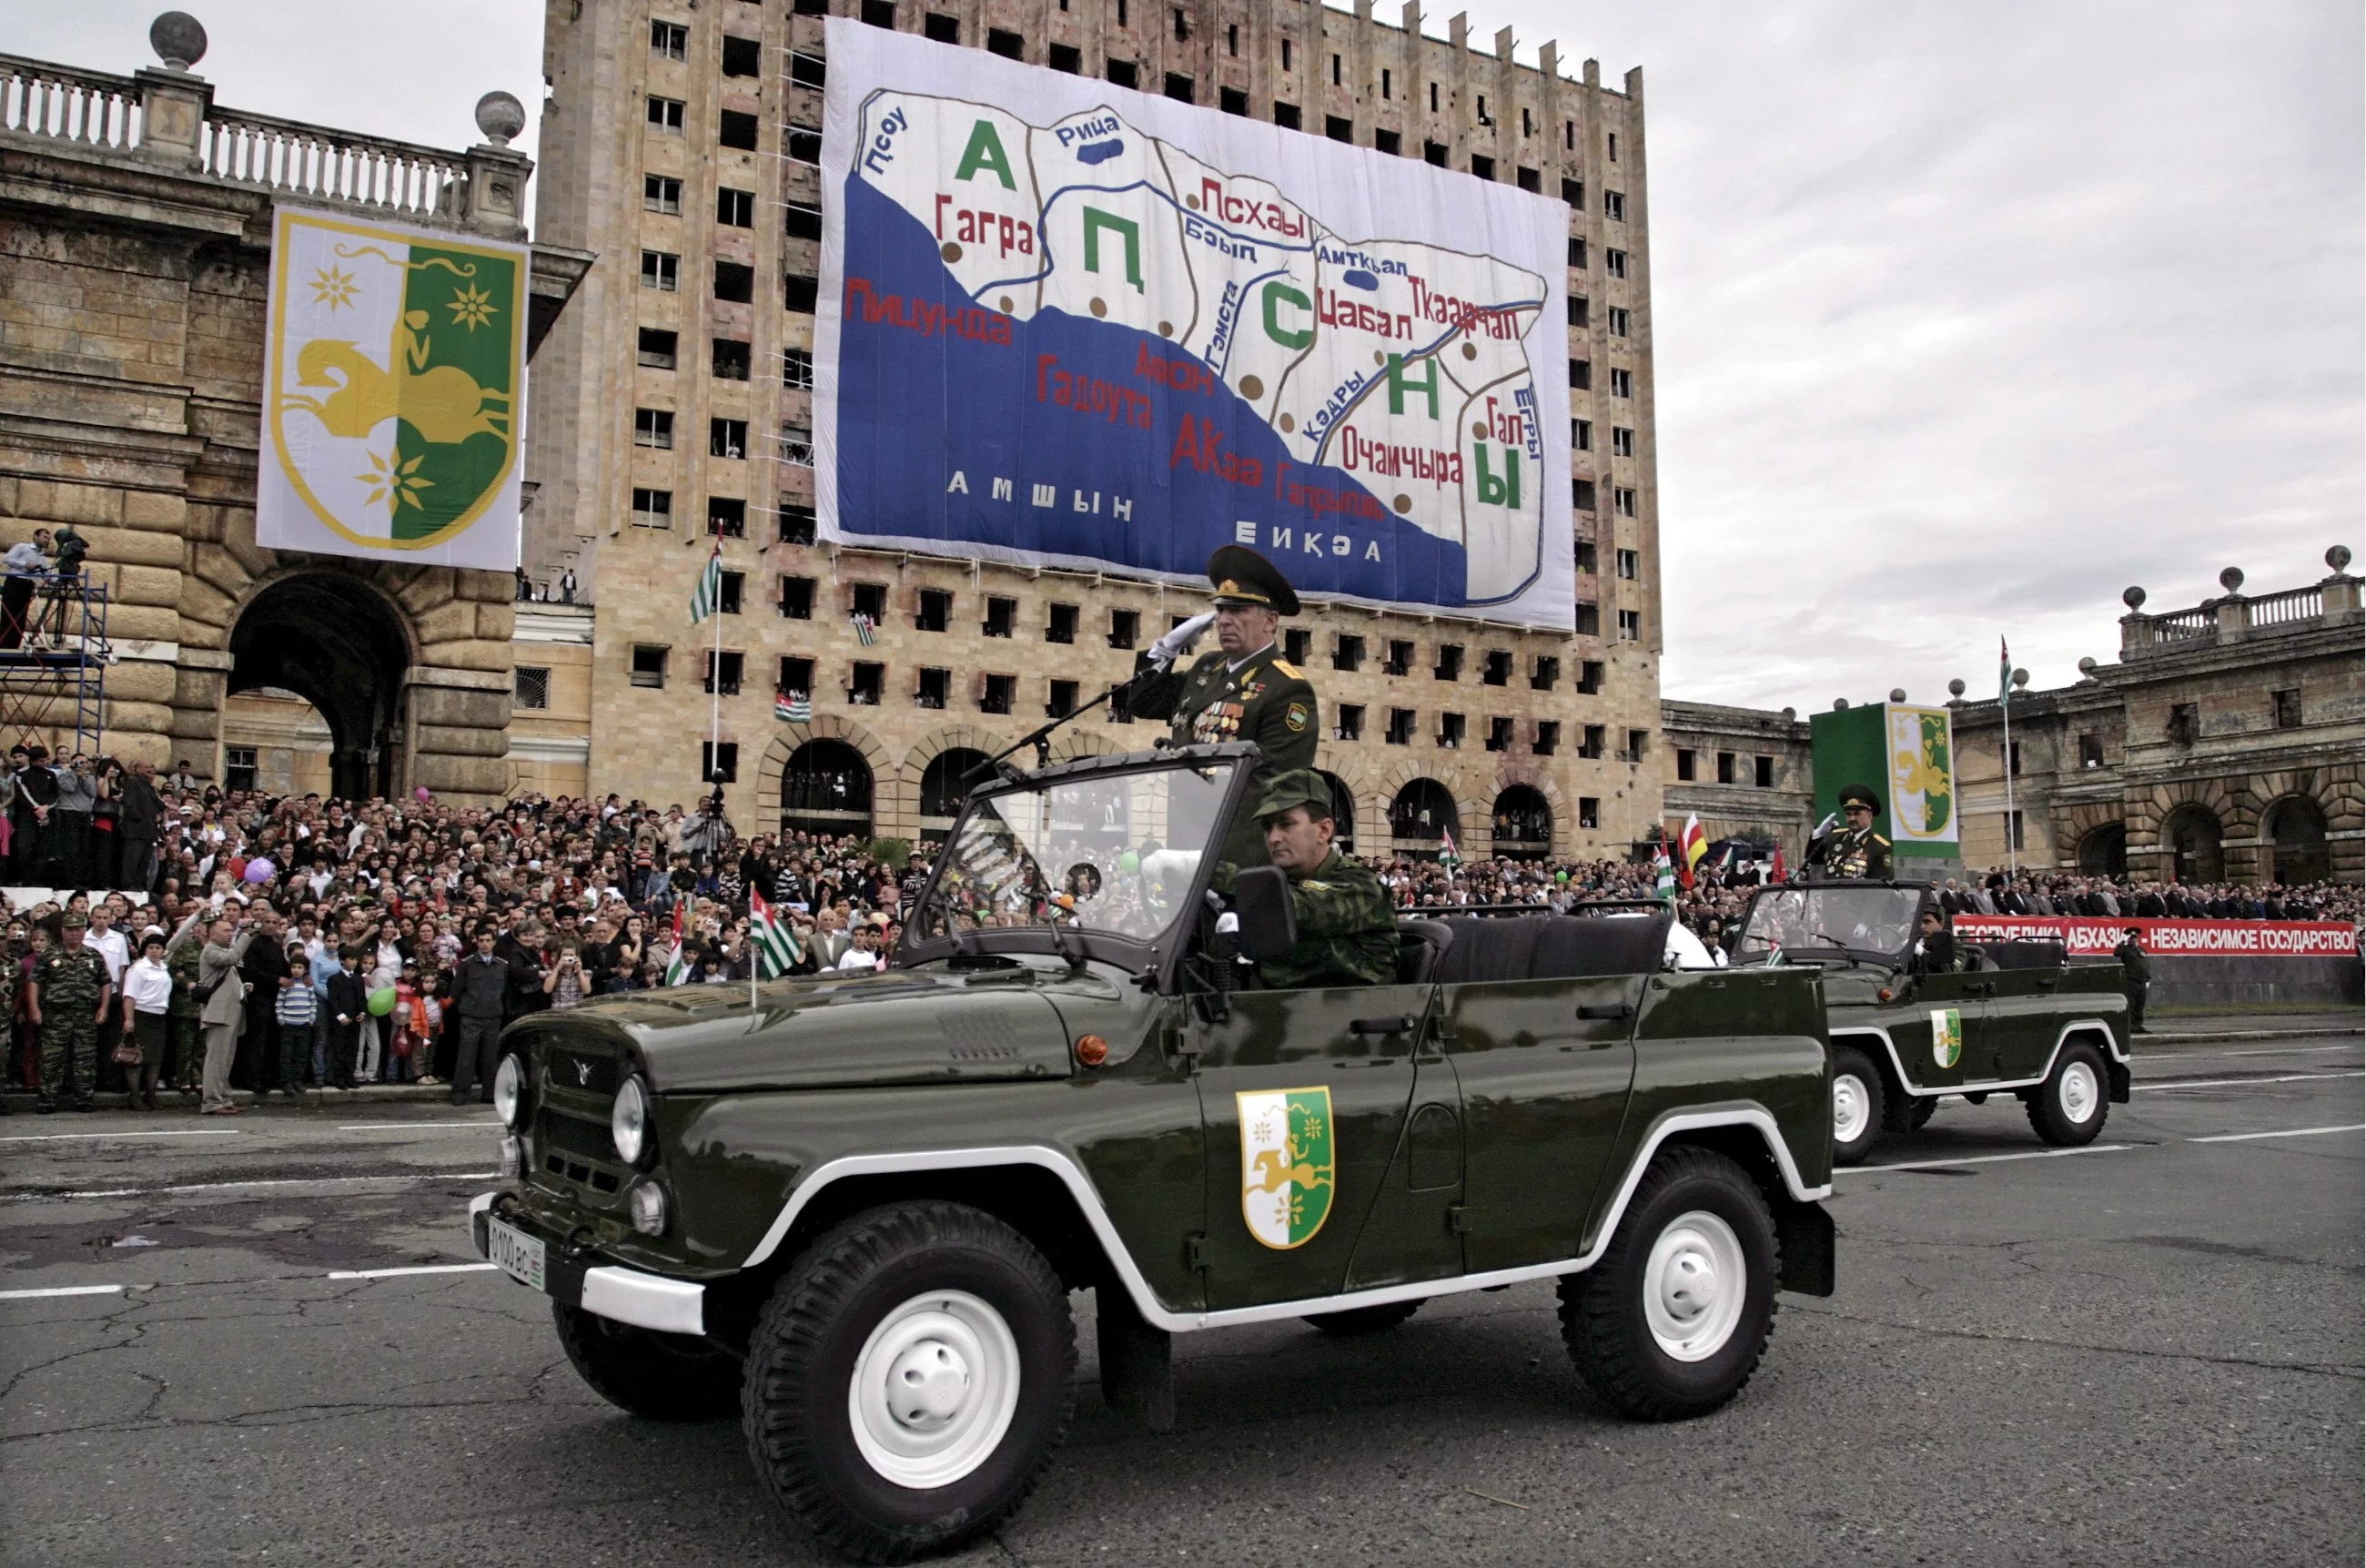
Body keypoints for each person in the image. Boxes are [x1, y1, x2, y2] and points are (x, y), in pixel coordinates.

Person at [1126, 546, 1319, 866]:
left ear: (1270, 621)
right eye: (1221, 611)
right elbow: (1145, 703)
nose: (1225, 621)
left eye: (1239, 611)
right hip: (1187, 846)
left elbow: (1269, 789)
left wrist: (1218, 865)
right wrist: (1165, 649)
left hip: (1232, 859)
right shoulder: (1207, 668)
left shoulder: (1287, 688)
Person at [1221, 770, 1396, 991]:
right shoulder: (1279, 883)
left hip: (1353, 1014)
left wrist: (1206, 873)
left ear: (1324, 830)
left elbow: (1298, 906)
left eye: (1285, 824)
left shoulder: (1362, 886)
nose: (1274, 838)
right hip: (1283, 1010)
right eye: (1268, 828)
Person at [31, 912, 114, 1114]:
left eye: (78, 929)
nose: (74, 934)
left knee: (85, 1058)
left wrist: (103, 1008)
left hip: (85, 1015)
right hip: (55, 1014)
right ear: (62, 932)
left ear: (84, 931)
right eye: (70, 930)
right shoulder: (49, 955)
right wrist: (34, 1009)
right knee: (52, 1059)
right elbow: (34, 982)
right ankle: (47, 1100)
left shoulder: (94, 956)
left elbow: (105, 982)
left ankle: (84, 1099)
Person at [193, 913, 255, 1115]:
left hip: (230, 1011)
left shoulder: (219, 949)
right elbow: (233, 958)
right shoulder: (211, 951)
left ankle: (224, 1098)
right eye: (226, 931)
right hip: (219, 1013)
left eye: (231, 930)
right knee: (216, 1060)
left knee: (226, 1059)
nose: (230, 934)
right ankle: (211, 1102)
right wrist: (245, 935)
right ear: (212, 934)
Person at [450, 924, 510, 1106]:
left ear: (494, 942)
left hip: (493, 1016)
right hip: (471, 1016)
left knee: (490, 1058)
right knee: (466, 1057)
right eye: (481, 940)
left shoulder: (502, 966)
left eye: (488, 941)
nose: (484, 944)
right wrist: (468, 1006)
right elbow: (456, 990)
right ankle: (460, 1093)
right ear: (476, 941)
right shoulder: (468, 964)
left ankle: (489, 1093)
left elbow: (505, 990)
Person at [120, 929, 175, 1111]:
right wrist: (129, 1019)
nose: (154, 951)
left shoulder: (164, 968)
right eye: (151, 947)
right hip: (141, 1014)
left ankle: (150, 1094)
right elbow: (129, 995)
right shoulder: (138, 969)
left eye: (158, 947)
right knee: (137, 1059)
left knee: (155, 1059)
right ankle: (134, 1096)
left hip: (159, 1016)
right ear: (145, 949)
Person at [1805, 784, 1894, 880]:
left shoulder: (1879, 847)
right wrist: (1818, 835)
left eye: (1857, 814)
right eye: (1848, 814)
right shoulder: (1834, 837)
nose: (1852, 818)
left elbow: (1881, 887)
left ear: (1870, 816)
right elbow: (1813, 859)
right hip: (1830, 893)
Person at [324, 946, 369, 1089]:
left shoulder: (358, 979)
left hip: (355, 1019)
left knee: (353, 1048)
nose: (354, 962)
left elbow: (362, 998)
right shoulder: (334, 979)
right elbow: (333, 1000)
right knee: (339, 1048)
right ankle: (339, 1078)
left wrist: (362, 1012)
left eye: (356, 959)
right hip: (341, 1020)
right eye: (351, 959)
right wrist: (341, 1016)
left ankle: (350, 1076)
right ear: (342, 961)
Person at [2114, 926, 2151, 1034]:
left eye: (2135, 937)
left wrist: (2148, 978)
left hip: (2142, 980)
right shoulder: (2125, 949)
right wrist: (2122, 942)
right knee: (2131, 1003)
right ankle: (2129, 1025)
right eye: (2131, 937)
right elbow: (2116, 953)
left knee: (2140, 1004)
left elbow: (2145, 964)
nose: (2133, 939)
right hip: (2132, 980)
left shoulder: (2141, 950)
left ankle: (2138, 1025)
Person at [1908, 907, 1962, 976]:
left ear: (1941, 924)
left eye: (1927, 922)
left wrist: (1923, 953)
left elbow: (1950, 973)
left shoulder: (1955, 947)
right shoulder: (1915, 943)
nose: (1922, 926)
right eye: (1919, 922)